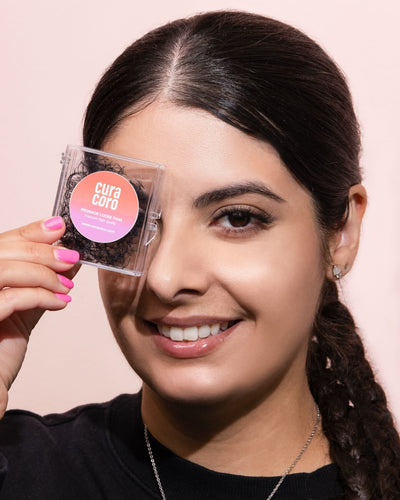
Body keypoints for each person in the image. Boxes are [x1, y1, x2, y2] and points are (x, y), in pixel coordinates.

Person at [0, 10, 399, 500]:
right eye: (136, 220)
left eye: (237, 218)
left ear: (342, 231)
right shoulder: (21, 471)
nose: (166, 278)